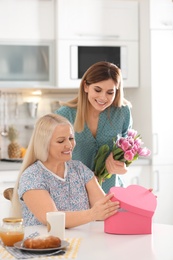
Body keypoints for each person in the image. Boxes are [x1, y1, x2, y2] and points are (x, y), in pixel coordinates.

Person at [10, 114, 119, 227]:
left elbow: (106, 208)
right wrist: (92, 214)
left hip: (82, 240)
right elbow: (52, 218)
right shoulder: (32, 176)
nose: (69, 145)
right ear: (44, 144)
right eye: (61, 141)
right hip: (43, 242)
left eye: (71, 138)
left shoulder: (79, 169)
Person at [55, 61, 132, 193]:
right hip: (74, 192)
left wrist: (122, 167)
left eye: (110, 92)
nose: (103, 97)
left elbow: (128, 149)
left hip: (111, 192)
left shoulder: (123, 112)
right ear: (86, 86)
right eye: (97, 90)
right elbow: (53, 157)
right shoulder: (65, 115)